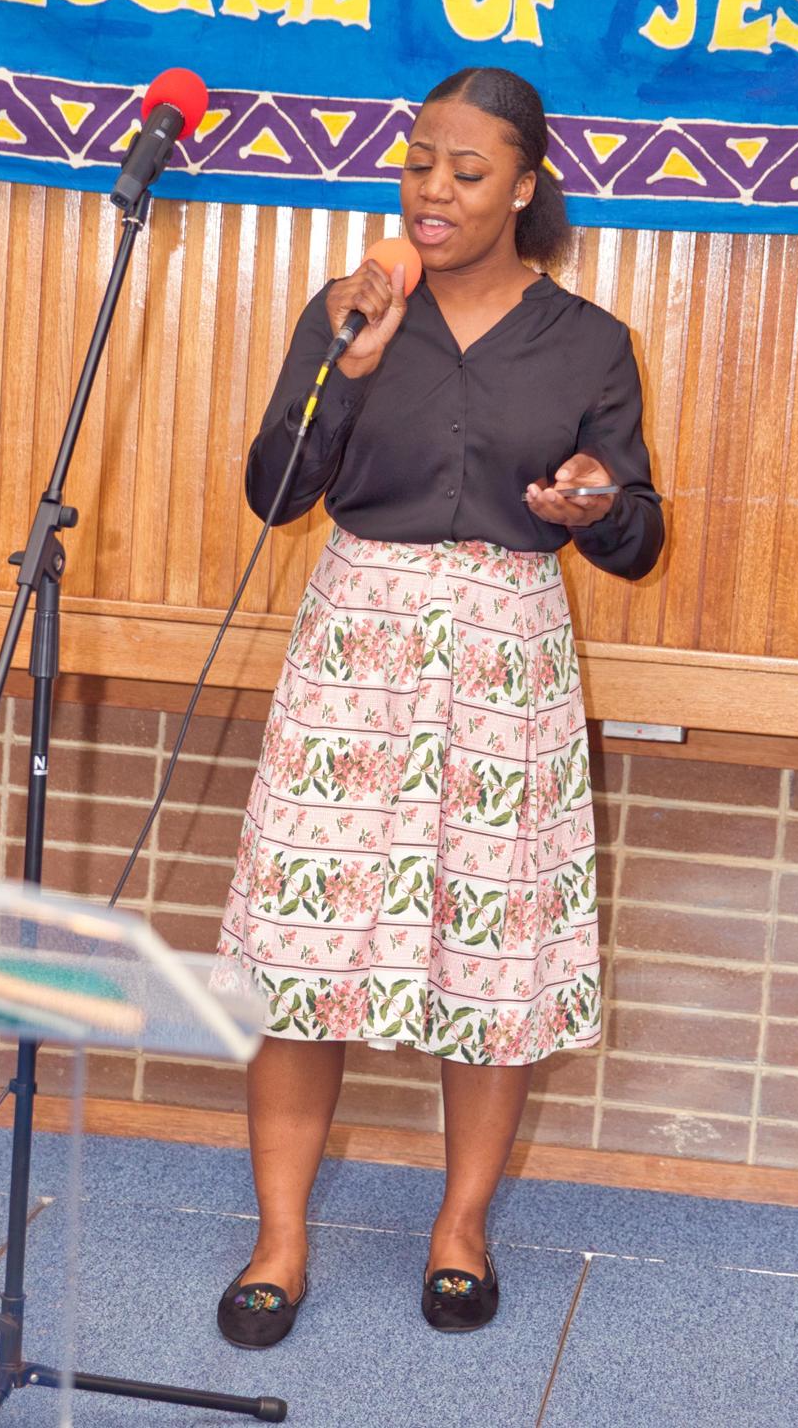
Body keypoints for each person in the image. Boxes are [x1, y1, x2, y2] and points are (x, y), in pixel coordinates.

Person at [212, 65, 664, 1348]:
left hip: (506, 662)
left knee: (491, 954)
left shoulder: (588, 342)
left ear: (523, 188)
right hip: (355, 652)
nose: (435, 189)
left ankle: (460, 1229)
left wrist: (595, 504)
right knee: (303, 959)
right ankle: (279, 1241)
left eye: (468, 171)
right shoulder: (349, 310)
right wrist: (348, 366)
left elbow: (638, 536)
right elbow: (276, 492)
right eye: (419, 162)